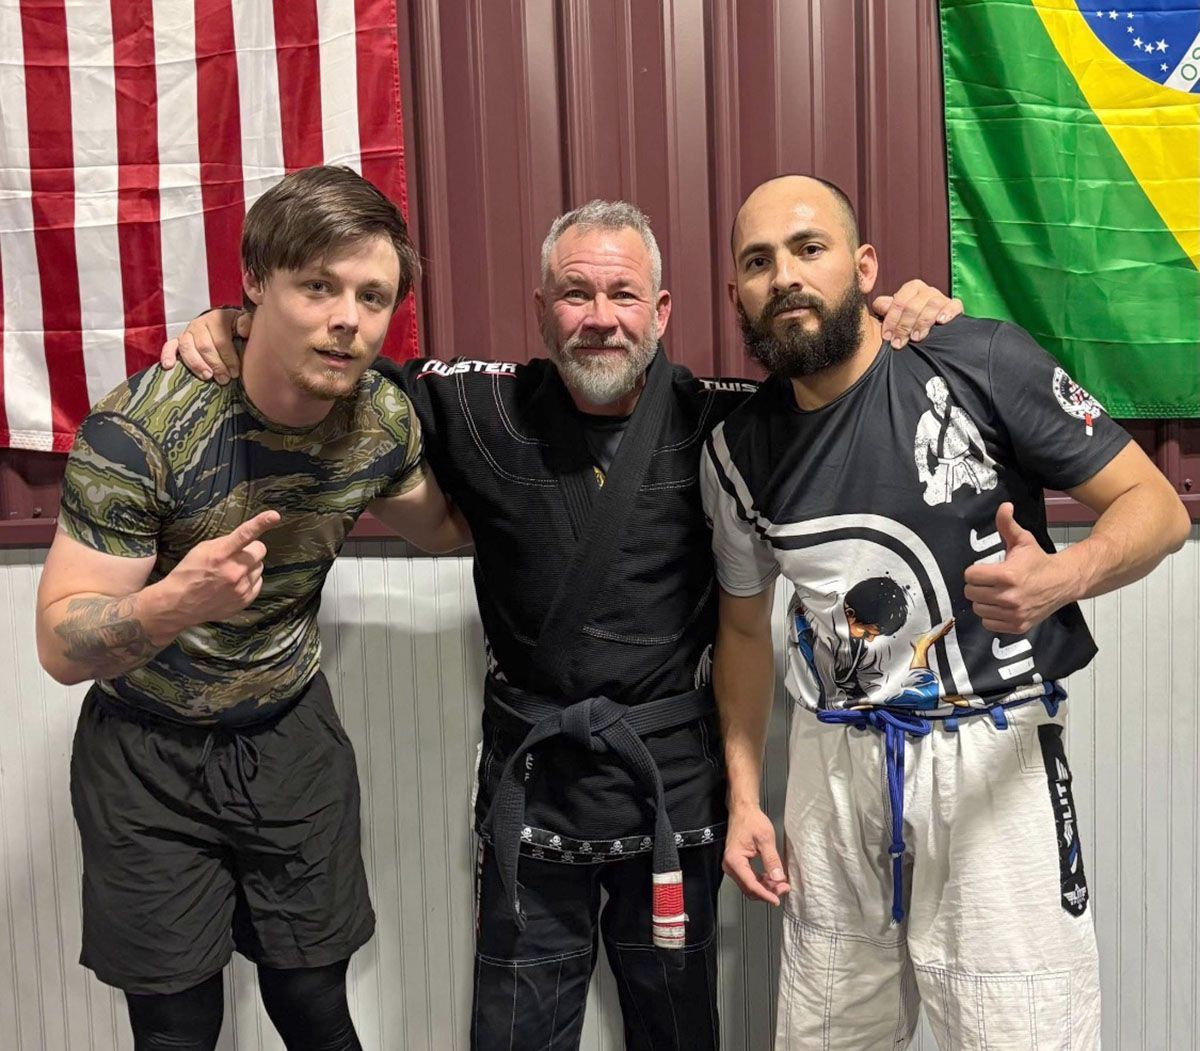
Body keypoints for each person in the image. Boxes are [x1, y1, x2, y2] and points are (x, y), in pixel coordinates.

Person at [164, 199, 960, 1050]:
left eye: (623, 296)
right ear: (542, 311)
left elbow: (838, 381)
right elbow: (339, 366)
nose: (600, 320)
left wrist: (919, 320)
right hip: (530, 786)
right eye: (575, 295)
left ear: (660, 313)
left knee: (678, 1027)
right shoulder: (478, 406)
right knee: (514, 1034)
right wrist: (235, 325)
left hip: (672, 792)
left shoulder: (725, 417)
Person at [702, 174, 1190, 1050]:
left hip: (991, 760)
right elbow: (742, 627)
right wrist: (745, 797)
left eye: (808, 249)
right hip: (833, 769)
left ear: (864, 265)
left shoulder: (978, 358)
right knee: (825, 1035)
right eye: (757, 261)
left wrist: (1062, 576)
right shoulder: (738, 451)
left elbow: (1157, 509)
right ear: (735, 292)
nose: (784, 277)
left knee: (1022, 1031)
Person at [36, 166, 470, 1051]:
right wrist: (170, 602)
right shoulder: (143, 430)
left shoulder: (378, 422)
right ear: (256, 282)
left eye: (372, 295)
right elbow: (59, 640)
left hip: (289, 738)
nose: (348, 316)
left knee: (315, 1005)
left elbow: (452, 531)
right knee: (176, 1027)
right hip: (145, 753)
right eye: (318, 285)